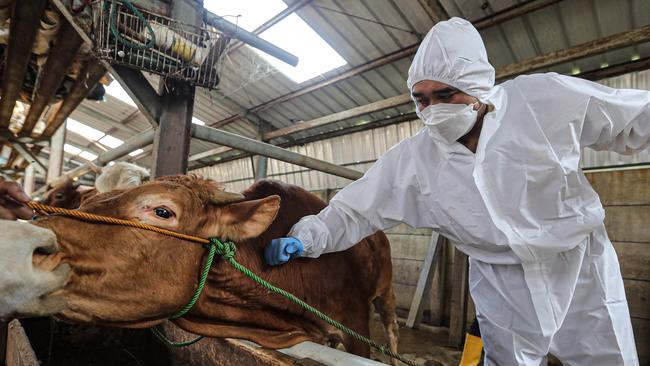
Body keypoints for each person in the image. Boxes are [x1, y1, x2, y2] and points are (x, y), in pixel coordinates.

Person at [265, 18, 648, 365]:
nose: (432, 109)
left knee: (607, 359)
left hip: (580, 266)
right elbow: (356, 209)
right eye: (422, 99)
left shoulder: (542, 101)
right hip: (501, 284)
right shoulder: (415, 160)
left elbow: (633, 118)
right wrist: (307, 237)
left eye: (445, 95)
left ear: (477, 87)